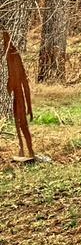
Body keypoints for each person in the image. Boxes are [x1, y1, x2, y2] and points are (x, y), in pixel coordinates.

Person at [2, 29, 32, 161]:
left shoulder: (16, 60)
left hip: (20, 99)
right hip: (15, 98)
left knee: (23, 124)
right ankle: (21, 147)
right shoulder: (8, 62)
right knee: (17, 123)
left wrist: (29, 107)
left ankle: (30, 149)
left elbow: (25, 85)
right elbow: (10, 83)